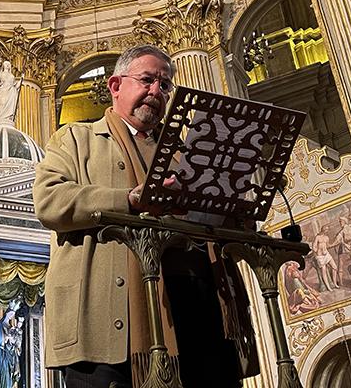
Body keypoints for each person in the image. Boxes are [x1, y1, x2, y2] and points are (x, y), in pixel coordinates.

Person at [33, 45, 258, 388]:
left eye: (165, 86)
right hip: (112, 320)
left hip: (196, 310)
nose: (157, 91)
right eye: (147, 80)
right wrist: (129, 199)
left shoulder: (187, 153)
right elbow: (50, 201)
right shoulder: (77, 139)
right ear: (115, 85)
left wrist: (232, 205)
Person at [0, 58, 22, 126]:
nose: (7, 65)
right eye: (6, 64)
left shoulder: (12, 76)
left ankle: (8, 119)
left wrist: (21, 79)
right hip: (4, 92)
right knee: (2, 104)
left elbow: (16, 86)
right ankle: (1, 119)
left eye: (8, 64)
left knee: (11, 108)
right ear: (3, 65)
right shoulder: (0, 73)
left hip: (11, 93)